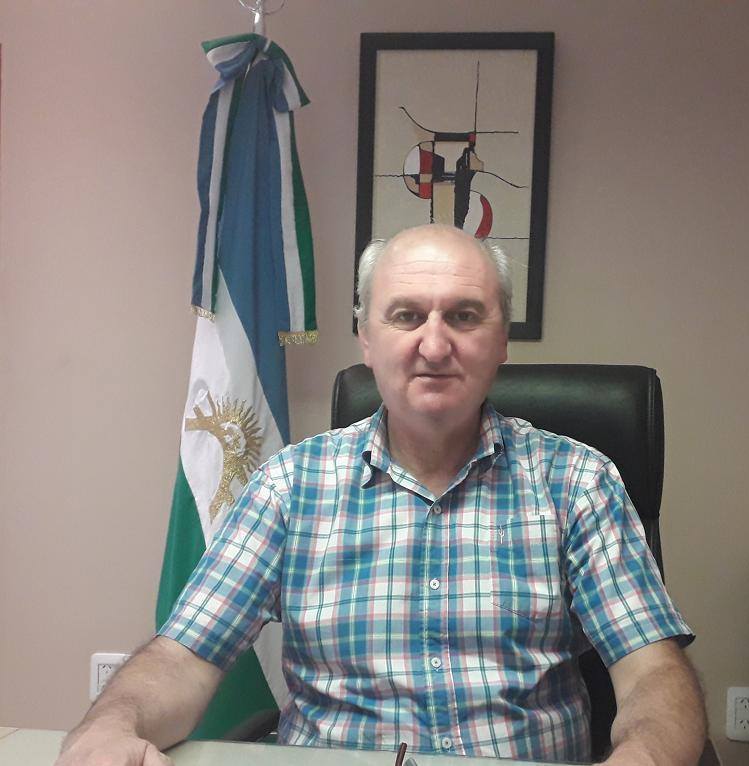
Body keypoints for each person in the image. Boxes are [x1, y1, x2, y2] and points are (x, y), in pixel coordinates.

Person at [57, 224, 706, 766]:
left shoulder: (577, 482)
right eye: (406, 315)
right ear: (366, 338)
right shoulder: (290, 487)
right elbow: (184, 656)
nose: (434, 343)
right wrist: (111, 726)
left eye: (464, 316)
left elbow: (651, 670)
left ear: (502, 341)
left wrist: (646, 754)